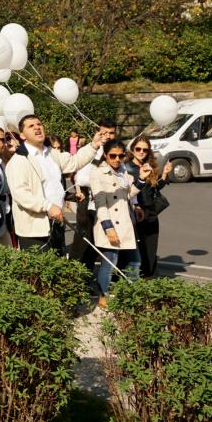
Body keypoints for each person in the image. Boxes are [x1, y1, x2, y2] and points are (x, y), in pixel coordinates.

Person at [5, 115, 103, 252]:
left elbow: (74, 162)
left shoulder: (52, 153)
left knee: (58, 268)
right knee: (38, 272)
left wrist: (93, 146)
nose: (37, 127)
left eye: (39, 124)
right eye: (31, 126)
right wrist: (48, 206)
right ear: (22, 135)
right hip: (34, 230)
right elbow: (20, 195)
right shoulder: (18, 161)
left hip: (57, 222)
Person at [91, 139, 149, 308]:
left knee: (135, 261)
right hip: (109, 222)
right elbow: (100, 203)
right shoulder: (97, 174)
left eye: (121, 156)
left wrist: (142, 180)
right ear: (105, 155)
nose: (117, 159)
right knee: (110, 261)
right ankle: (103, 295)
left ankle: (132, 294)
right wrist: (108, 228)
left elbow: (129, 194)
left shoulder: (123, 171)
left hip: (125, 222)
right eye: (113, 156)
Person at [72, 119, 117, 274]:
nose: (108, 136)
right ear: (98, 132)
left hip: (111, 205)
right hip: (90, 205)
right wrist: (102, 179)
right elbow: (81, 178)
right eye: (105, 133)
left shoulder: (117, 153)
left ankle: (96, 277)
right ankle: (76, 276)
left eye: (111, 133)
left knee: (101, 244)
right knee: (84, 243)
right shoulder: (90, 151)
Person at [126, 136, 172, 278]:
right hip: (136, 211)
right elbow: (127, 191)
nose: (141, 152)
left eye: (145, 150)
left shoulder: (150, 166)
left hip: (151, 212)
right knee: (138, 248)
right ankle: (133, 278)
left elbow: (154, 189)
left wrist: (164, 175)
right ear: (133, 149)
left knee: (151, 247)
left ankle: (150, 278)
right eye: (138, 149)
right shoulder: (127, 167)